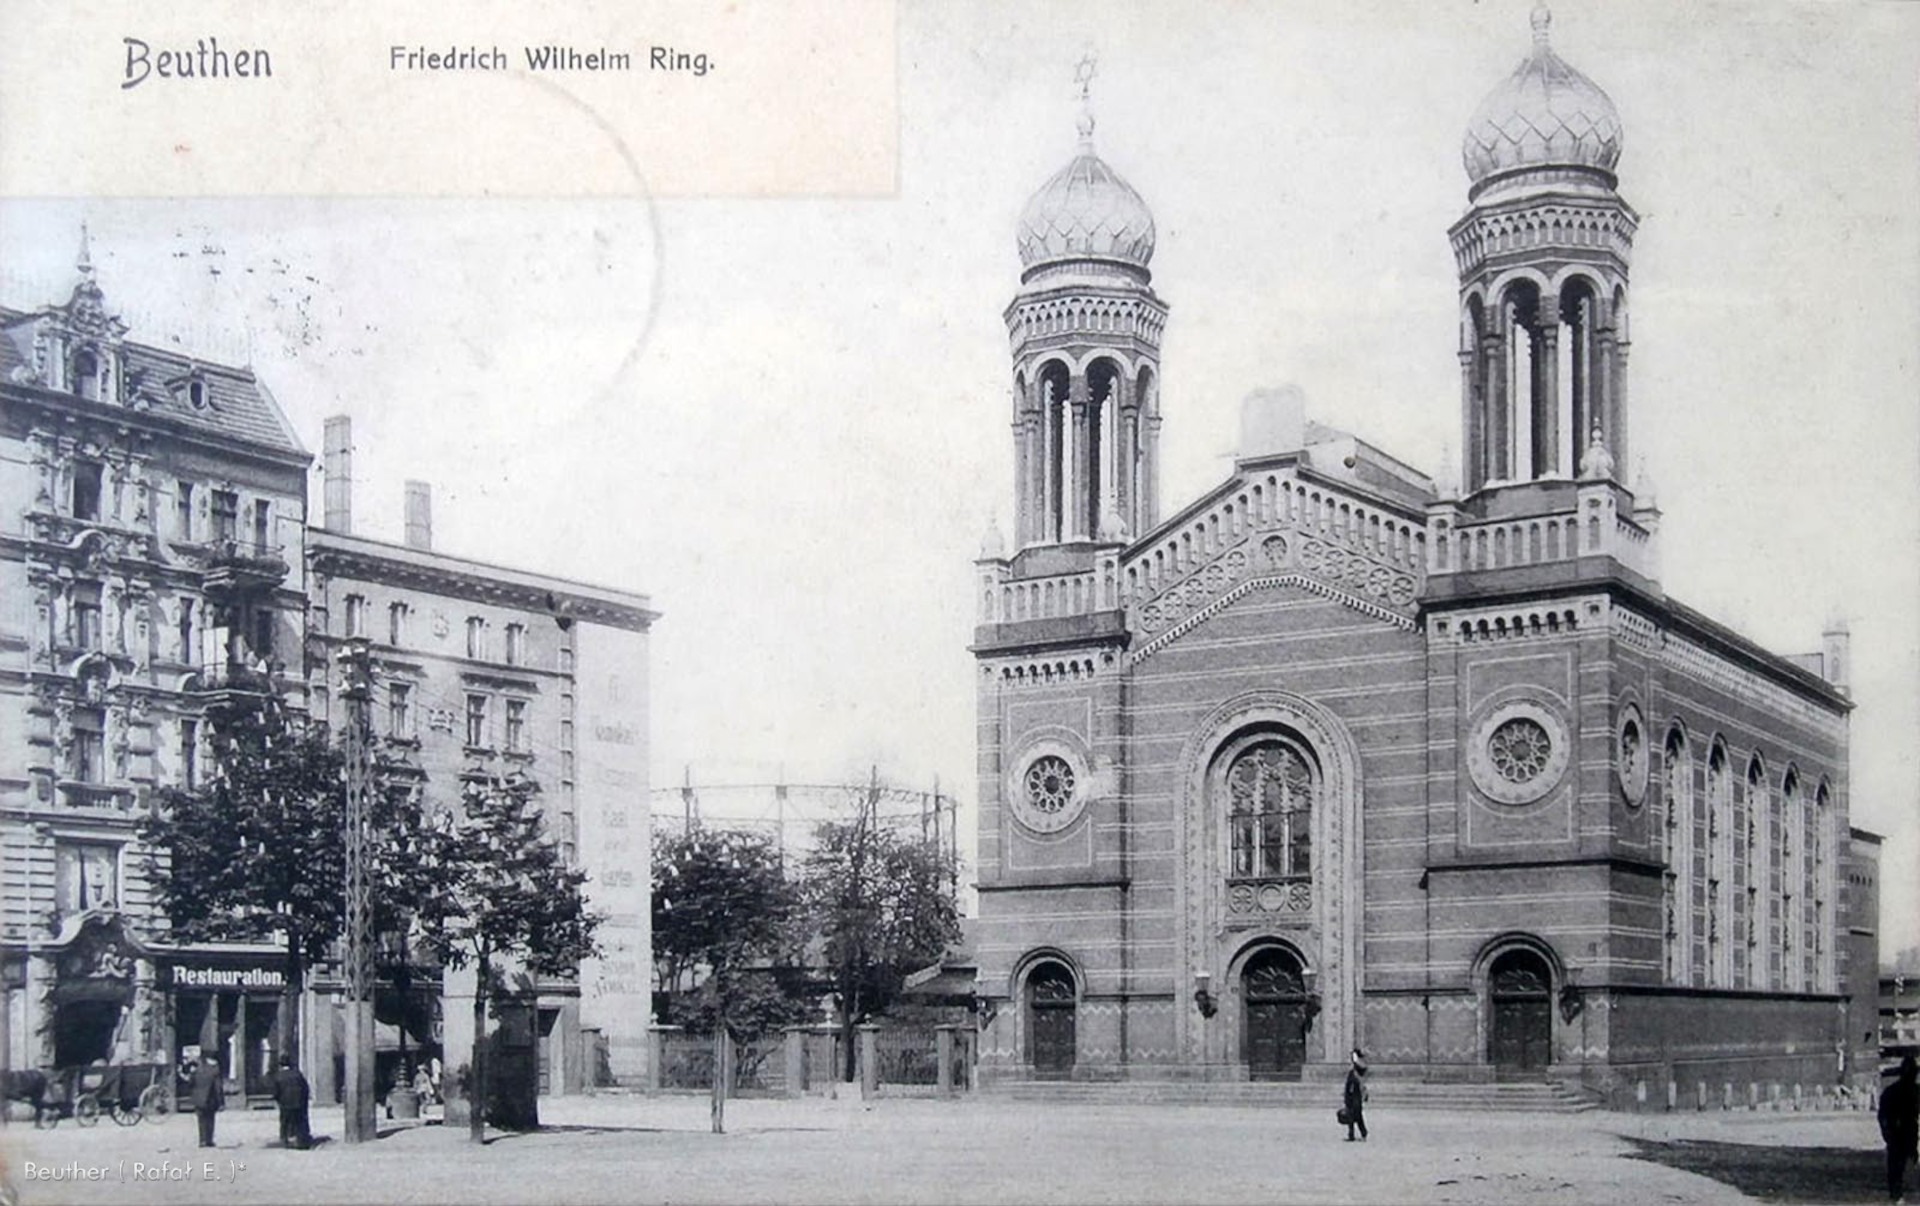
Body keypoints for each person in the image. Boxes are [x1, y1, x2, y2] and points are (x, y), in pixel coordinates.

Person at [1882, 1054, 1919, 1204]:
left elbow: (1882, 1116)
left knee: (1897, 1166)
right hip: (1905, 1132)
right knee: (1906, 1163)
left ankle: (1897, 1195)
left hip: (1898, 1133)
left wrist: (1886, 1132)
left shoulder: (1891, 1091)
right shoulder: (1916, 1092)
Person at [270, 1054, 312, 1150]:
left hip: (285, 1104)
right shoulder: (297, 1074)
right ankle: (301, 1142)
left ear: (280, 1065)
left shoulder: (278, 1076)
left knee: (284, 1122)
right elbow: (305, 1088)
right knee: (299, 1122)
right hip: (298, 1103)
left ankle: (285, 1140)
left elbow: (276, 1092)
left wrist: (278, 1100)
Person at [188, 1053, 224, 1149]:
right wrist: (221, 1101)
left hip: (198, 1099)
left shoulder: (196, 1070)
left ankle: (202, 1140)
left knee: (201, 1120)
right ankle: (209, 1139)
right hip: (210, 1098)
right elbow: (218, 1087)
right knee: (210, 1119)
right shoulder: (214, 1071)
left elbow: (190, 1084)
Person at [1343, 1047, 1369, 1142]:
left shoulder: (1358, 1068)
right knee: (1352, 1115)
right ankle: (1352, 1134)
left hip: (1356, 1095)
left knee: (1356, 1115)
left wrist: (1355, 1060)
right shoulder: (1353, 1070)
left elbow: (1362, 1071)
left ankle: (1362, 1133)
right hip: (1351, 1094)